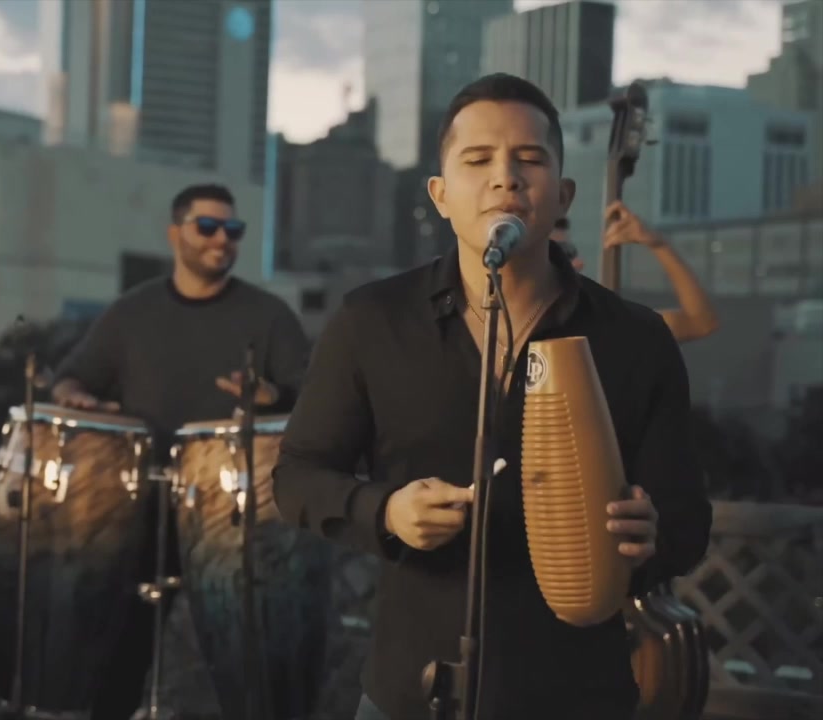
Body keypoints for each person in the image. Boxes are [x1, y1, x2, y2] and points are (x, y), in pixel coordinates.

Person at [272, 74, 712, 720]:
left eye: (529, 159)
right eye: (478, 160)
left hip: (576, 695)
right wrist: (387, 511)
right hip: (411, 690)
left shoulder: (636, 337)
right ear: (441, 195)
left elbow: (687, 520)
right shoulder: (372, 320)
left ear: (562, 194)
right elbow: (297, 477)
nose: (505, 178)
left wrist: (652, 536)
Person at [49, 183, 311, 719]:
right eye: (208, 227)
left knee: (253, 657)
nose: (222, 239)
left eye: (232, 229)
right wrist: (75, 396)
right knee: (117, 659)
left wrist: (271, 396)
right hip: (139, 509)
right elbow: (72, 377)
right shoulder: (132, 313)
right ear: (175, 234)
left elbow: (314, 399)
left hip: (238, 514)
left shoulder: (269, 316)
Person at [554, 206, 720, 343]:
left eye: (572, 251)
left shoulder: (604, 327)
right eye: (565, 252)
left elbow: (700, 322)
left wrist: (658, 244)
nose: (579, 263)